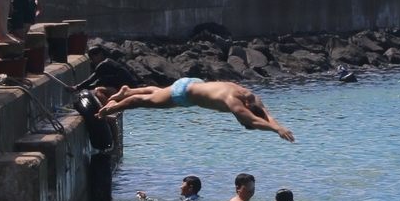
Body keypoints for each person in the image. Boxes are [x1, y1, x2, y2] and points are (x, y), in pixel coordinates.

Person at [100, 79, 296, 142]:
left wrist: (279, 126)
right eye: (241, 119)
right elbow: (254, 121)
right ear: (246, 111)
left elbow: (265, 114)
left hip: (195, 83)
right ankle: (116, 104)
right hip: (184, 93)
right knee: (144, 102)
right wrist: (275, 130)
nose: (240, 119)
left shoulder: (251, 97)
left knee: (159, 94)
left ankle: (128, 90)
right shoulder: (234, 102)